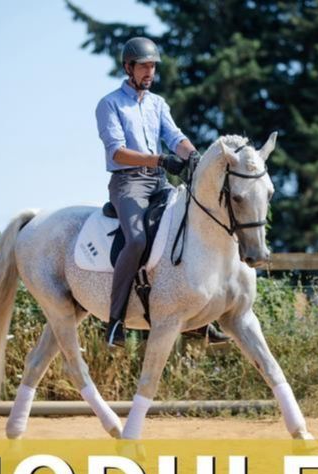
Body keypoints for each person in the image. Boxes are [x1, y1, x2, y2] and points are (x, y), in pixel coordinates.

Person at [95, 36, 230, 348]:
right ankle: (115, 322)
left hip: (158, 181)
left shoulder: (158, 104)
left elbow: (175, 137)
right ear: (128, 67)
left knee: (190, 226)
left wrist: (194, 156)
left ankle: (198, 320)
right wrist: (160, 159)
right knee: (137, 240)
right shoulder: (109, 104)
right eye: (144, 66)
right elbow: (117, 152)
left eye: (153, 67)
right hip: (128, 183)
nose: (150, 72)